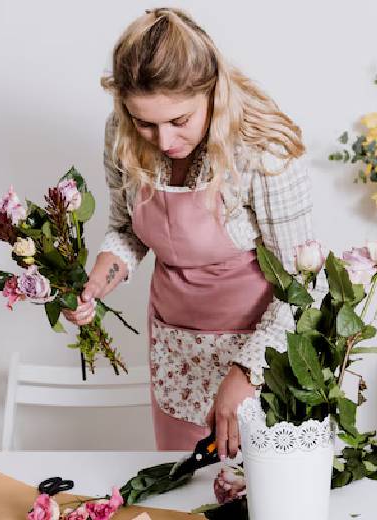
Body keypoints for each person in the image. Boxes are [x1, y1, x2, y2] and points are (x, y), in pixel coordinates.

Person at [63, 7, 321, 459]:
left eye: (179, 120)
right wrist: (97, 284)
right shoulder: (121, 135)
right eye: (145, 122)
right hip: (176, 353)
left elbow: (304, 285)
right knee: (182, 490)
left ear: (213, 93)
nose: (162, 141)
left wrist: (247, 372)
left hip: (263, 347)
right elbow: (127, 229)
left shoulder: (264, 150)